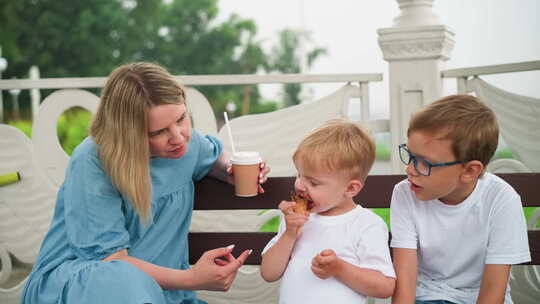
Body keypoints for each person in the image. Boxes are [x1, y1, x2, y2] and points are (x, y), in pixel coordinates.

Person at [21, 62, 270, 304]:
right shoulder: (94, 160)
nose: (178, 137)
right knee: (120, 278)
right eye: (157, 132)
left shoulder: (186, 145)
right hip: (88, 286)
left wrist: (229, 170)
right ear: (126, 132)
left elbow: (213, 155)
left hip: (158, 292)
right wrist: (192, 278)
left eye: (182, 118)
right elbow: (111, 261)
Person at [390, 95, 531, 304]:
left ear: (469, 171)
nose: (409, 169)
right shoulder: (405, 194)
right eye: (410, 155)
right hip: (425, 296)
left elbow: (494, 288)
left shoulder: (502, 200)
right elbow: (406, 277)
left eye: (424, 163)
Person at [260, 119, 396, 303]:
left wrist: (339, 269)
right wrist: (289, 235)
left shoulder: (366, 225)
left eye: (313, 182)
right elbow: (269, 273)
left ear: (350, 189)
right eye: (299, 175)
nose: (299, 185)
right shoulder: (295, 220)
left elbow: (384, 287)